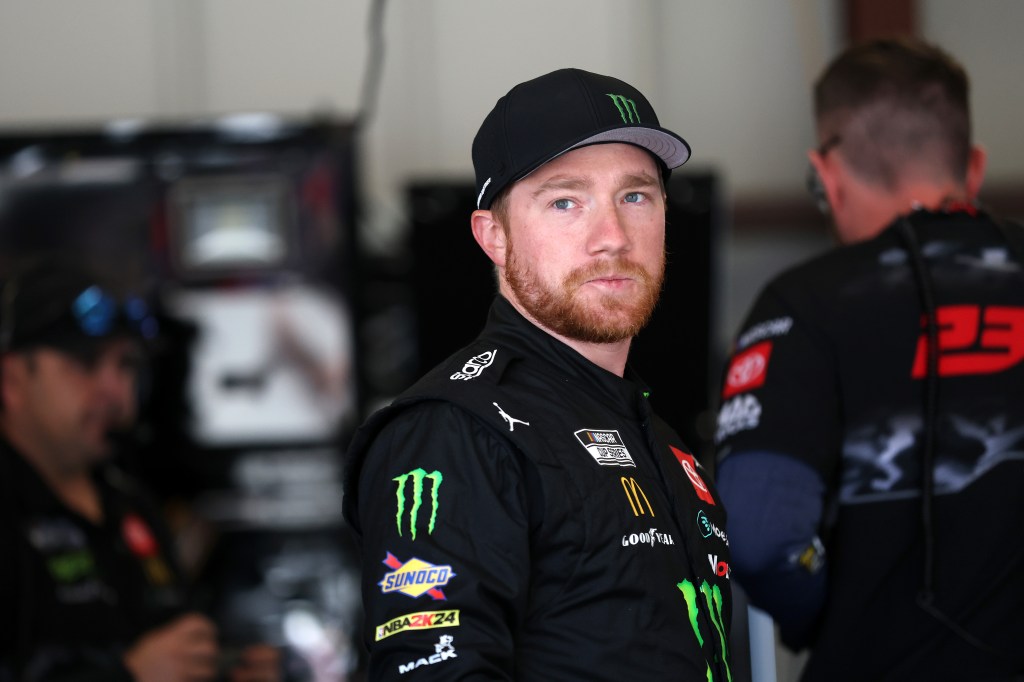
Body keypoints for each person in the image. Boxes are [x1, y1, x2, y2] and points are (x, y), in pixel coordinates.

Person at [343, 68, 733, 680]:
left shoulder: (659, 438)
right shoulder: (457, 432)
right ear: (493, 236)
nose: (612, 237)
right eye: (565, 202)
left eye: (635, 196)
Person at [715, 36, 1024, 681]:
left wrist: (830, 619)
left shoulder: (803, 304)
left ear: (825, 177)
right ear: (973, 167)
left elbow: (764, 535)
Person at [0, 257, 279, 682]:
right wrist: (127, 676)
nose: (115, 391)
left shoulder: (129, 503)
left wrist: (222, 669)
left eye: (126, 365)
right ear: (12, 379)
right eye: (86, 363)